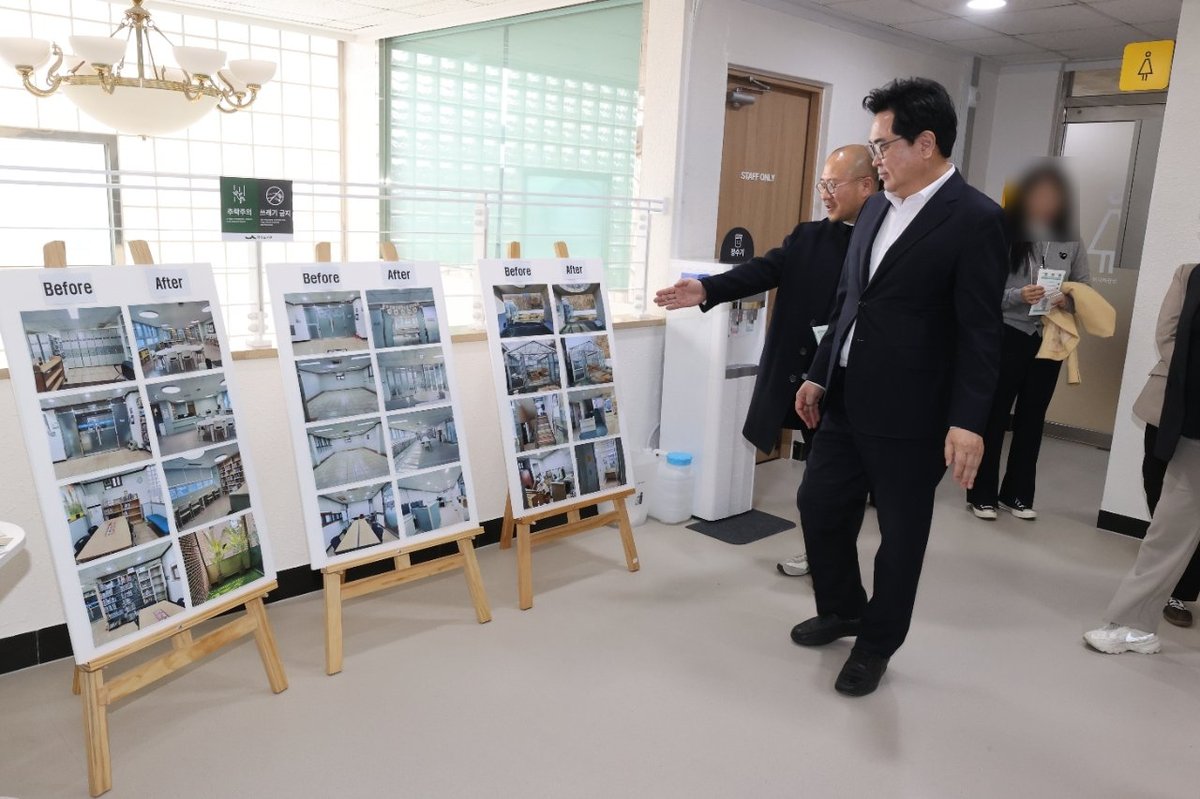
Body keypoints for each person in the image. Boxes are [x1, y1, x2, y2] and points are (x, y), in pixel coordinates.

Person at [791, 77, 1007, 696]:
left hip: (916, 415)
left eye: (883, 146)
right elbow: (849, 300)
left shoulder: (976, 219)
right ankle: (843, 607)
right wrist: (819, 372)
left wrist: (968, 421)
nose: (876, 159)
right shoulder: (877, 208)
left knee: (901, 538)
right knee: (818, 505)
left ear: (926, 143)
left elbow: (980, 332)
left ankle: (877, 643)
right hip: (847, 396)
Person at [654, 145, 879, 578]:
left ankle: (831, 560)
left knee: (838, 482)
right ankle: (823, 556)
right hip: (808, 378)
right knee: (822, 481)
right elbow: (763, 270)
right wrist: (707, 289)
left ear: (866, 185)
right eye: (822, 184)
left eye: (833, 184)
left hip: (857, 380)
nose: (824, 193)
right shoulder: (810, 237)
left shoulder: (886, 242)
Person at [1085, 263, 1200, 653]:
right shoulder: (1192, 276)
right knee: (1168, 528)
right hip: (1190, 425)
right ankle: (1135, 624)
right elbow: (1169, 336)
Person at [966, 163, 1091, 521]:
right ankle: (981, 494)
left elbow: (1084, 287)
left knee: (1032, 419)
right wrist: (1018, 295)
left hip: (1049, 339)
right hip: (1009, 334)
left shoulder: (1070, 239)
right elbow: (983, 289)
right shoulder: (1003, 232)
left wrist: (1068, 298)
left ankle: (1017, 494)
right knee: (994, 416)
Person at [1126, 262, 1200, 630]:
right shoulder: (1189, 274)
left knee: (1193, 501)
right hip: (1171, 399)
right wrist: (1192, 374)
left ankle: (1180, 589)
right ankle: (1162, 570)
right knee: (1155, 480)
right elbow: (1166, 333)